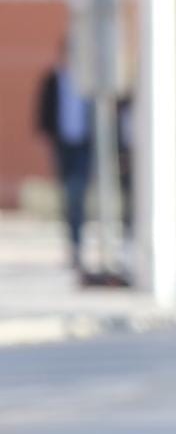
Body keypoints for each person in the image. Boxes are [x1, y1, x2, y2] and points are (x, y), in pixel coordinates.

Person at [34, 40, 94, 274]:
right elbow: (43, 112)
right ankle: (73, 245)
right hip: (62, 146)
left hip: (82, 146)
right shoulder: (53, 79)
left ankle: (79, 245)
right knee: (67, 197)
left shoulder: (87, 82)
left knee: (77, 193)